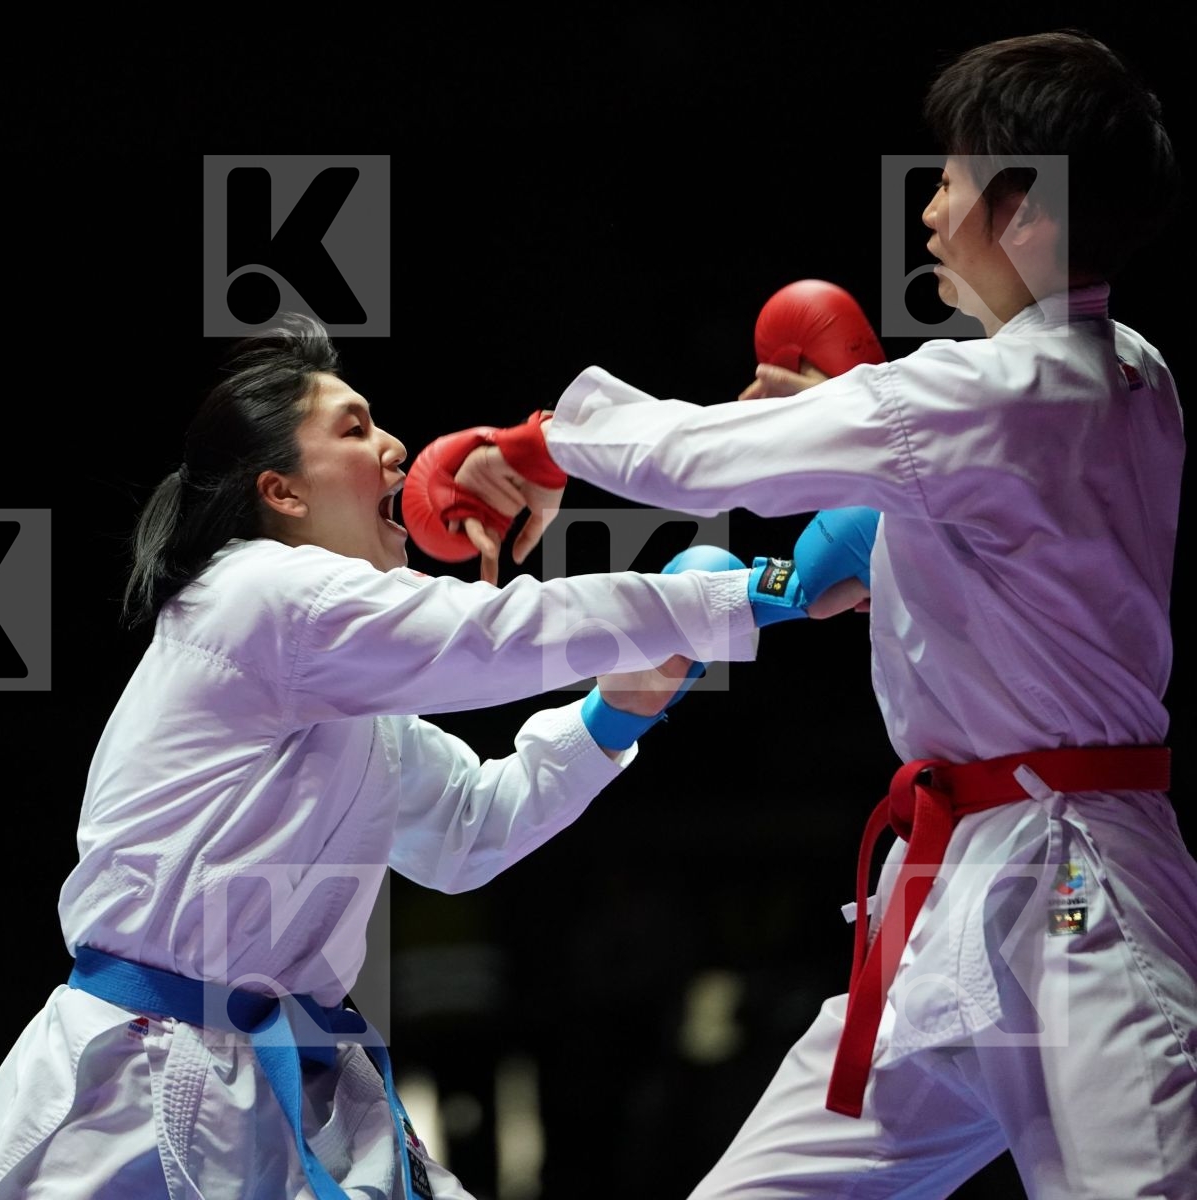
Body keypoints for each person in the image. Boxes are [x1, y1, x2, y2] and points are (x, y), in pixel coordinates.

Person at [405, 30, 1193, 1199]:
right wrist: (849, 452)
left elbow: (699, 454)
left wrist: (531, 446)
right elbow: (906, 549)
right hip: (955, 888)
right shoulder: (1123, 370)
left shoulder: (996, 392)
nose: (929, 210)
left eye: (953, 179)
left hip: (1075, 885)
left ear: (1027, 210)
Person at [0, 312, 785, 1200]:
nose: (397, 446)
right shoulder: (255, 592)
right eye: (355, 427)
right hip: (141, 1089)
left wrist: (614, 714)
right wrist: (751, 594)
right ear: (283, 493)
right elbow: (490, 637)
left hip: (292, 1085)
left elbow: (465, 829)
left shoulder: (339, 681)